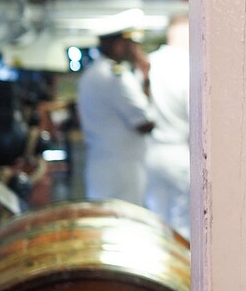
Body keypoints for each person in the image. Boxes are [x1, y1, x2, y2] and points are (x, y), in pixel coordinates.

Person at [77, 26, 154, 204]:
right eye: (132, 45)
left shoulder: (92, 73)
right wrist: (146, 75)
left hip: (102, 165)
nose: (137, 51)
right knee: (129, 224)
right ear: (119, 45)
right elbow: (145, 123)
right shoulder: (116, 77)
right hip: (122, 169)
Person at [145, 14, 191, 238]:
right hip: (179, 153)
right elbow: (197, 118)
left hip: (151, 153)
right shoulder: (189, 66)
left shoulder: (149, 62)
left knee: (157, 221)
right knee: (184, 223)